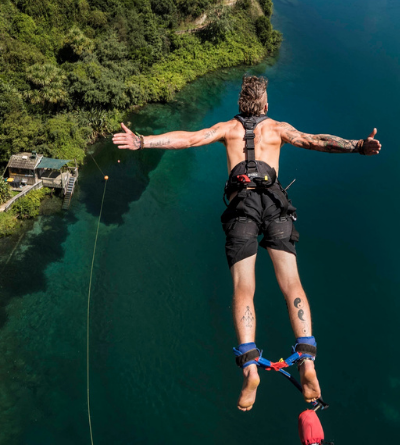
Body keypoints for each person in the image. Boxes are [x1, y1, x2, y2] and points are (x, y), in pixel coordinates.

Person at [113, 76, 382, 411]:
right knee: (292, 282)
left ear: (240, 106)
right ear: (266, 106)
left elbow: (189, 139)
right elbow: (316, 141)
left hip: (242, 208)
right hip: (276, 204)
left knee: (244, 287)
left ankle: (250, 366)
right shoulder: (279, 129)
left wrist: (142, 141)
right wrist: (357, 145)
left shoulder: (227, 129)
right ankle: (308, 361)